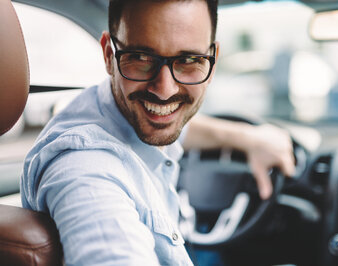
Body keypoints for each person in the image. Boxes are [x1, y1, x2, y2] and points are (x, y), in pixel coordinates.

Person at [20, 0, 295, 265]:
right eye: (141, 58)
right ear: (108, 55)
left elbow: (178, 126)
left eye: (189, 60)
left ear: (213, 59)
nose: (165, 90)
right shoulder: (85, 168)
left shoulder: (119, 108)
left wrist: (247, 138)